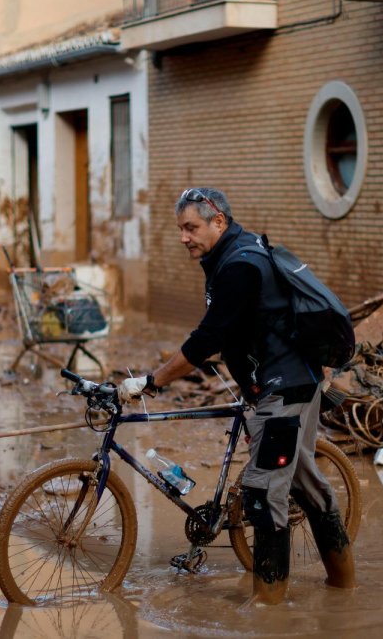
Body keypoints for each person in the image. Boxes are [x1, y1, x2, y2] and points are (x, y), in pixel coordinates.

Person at [117, 187, 356, 605]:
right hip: (286, 385)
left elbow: (207, 337)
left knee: (263, 496)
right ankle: (343, 586)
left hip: (283, 392)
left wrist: (153, 381)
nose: (183, 237)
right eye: (180, 229)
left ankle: (268, 609)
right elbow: (233, 326)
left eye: (191, 227)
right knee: (307, 484)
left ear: (218, 221)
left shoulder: (240, 265)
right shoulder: (234, 255)